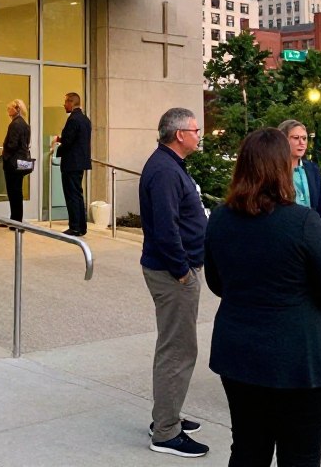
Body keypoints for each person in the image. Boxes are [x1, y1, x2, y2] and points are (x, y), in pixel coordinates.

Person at [206, 128, 321, 467]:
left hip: (239, 353)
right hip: (298, 359)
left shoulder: (221, 218)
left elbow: (216, 282)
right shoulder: (301, 220)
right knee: (299, 455)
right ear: (282, 168)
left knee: (247, 449)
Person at [139, 107, 209, 458]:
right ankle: (166, 432)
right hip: (173, 274)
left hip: (176, 270)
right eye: (196, 130)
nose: (200, 135)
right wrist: (183, 271)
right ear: (180, 134)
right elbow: (166, 229)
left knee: (177, 346)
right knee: (178, 349)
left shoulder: (170, 165)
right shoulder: (165, 170)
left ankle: (167, 416)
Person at [53, 92, 92, 236]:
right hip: (80, 163)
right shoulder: (85, 119)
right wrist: (60, 138)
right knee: (78, 195)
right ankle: (81, 226)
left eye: (65, 102)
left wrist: (58, 148)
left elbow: (69, 141)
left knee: (71, 195)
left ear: (71, 102)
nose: (64, 105)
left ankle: (74, 227)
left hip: (71, 164)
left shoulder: (73, 120)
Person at [278, 119, 321, 227]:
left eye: (304, 138)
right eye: (296, 138)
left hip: (311, 231)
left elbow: (320, 207)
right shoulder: (273, 170)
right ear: (282, 140)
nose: (302, 142)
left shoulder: (312, 169)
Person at [0, 99, 31, 226]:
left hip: (13, 162)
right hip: (21, 161)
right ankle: (15, 219)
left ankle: (16, 221)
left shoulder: (15, 124)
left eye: (10, 108)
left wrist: (4, 154)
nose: (8, 110)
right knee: (17, 191)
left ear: (17, 109)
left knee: (13, 191)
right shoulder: (25, 124)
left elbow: (12, 144)